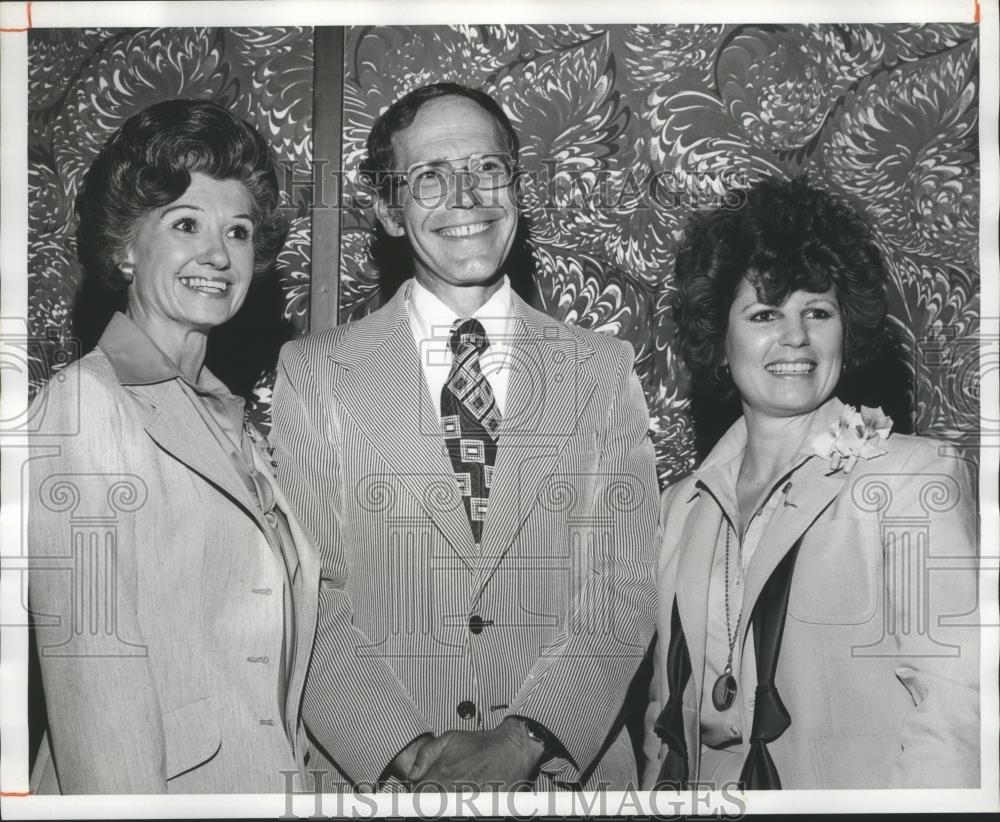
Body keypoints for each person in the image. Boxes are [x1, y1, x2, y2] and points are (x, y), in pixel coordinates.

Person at [271, 82, 658, 791]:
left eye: (488, 169)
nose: (467, 196)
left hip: (560, 782)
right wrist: (411, 752)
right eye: (429, 177)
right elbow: (307, 591)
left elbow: (624, 585)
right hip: (381, 784)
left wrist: (521, 743)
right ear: (390, 211)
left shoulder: (601, 371)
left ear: (517, 189)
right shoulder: (316, 374)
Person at [642, 176, 980, 790]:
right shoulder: (679, 509)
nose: (795, 337)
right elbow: (663, 719)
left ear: (845, 330)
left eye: (816, 312)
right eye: (765, 313)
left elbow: (957, 712)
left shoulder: (912, 481)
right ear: (721, 340)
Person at [28, 99, 320, 794]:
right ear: (125, 247)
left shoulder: (232, 421)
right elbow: (96, 694)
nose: (219, 254)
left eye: (239, 232)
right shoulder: (84, 408)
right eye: (186, 224)